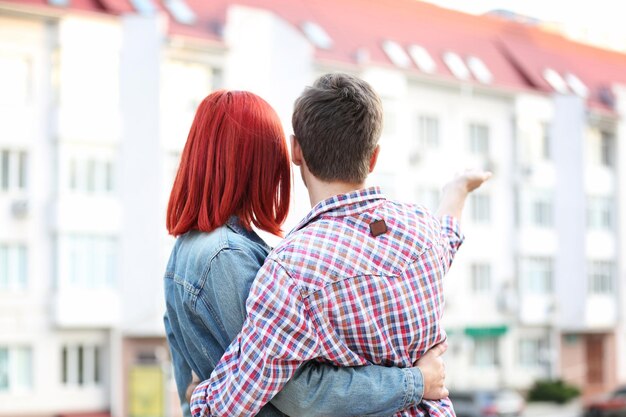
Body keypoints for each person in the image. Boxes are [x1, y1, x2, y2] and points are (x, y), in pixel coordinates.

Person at [190, 74, 491, 417]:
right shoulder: (422, 230)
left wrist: (198, 395)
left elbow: (233, 401)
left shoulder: (290, 270)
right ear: (374, 157)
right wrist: (457, 191)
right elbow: (447, 237)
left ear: (296, 150)